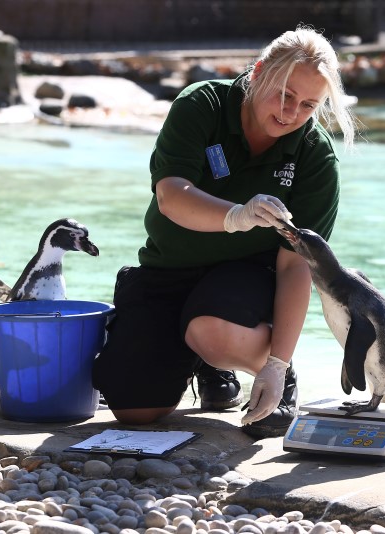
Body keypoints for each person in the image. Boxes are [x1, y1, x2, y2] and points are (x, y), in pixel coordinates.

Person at [92, 25, 356, 439]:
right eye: (285, 94)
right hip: (169, 269)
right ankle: (202, 361)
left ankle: (258, 367)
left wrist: (277, 364)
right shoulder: (203, 104)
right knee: (134, 410)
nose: (290, 113)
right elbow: (170, 197)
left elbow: (295, 267)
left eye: (308, 105)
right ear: (259, 72)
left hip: (247, 280)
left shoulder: (315, 156)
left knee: (212, 332)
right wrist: (236, 215)